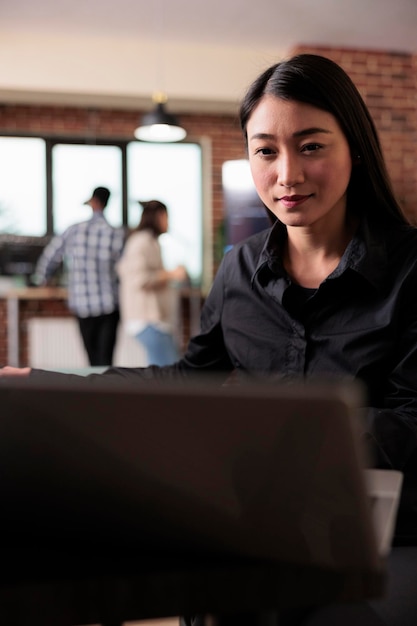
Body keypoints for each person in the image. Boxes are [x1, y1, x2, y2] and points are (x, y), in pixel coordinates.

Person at [2, 53, 417, 624]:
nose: (287, 175)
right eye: (265, 150)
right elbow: (186, 379)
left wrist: (275, 424)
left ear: (356, 147)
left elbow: (411, 425)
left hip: (385, 536)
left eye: (312, 146)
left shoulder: (410, 272)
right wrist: (43, 385)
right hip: (253, 521)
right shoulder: (240, 269)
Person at [35, 186, 126, 366]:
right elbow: (126, 269)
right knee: (106, 361)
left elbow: (49, 257)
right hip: (109, 304)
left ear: (93, 202)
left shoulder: (74, 230)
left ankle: (95, 392)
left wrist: (42, 280)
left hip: (83, 304)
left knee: (92, 361)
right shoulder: (117, 234)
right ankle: (107, 392)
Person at [116, 199, 188, 366]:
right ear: (159, 216)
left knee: (161, 373)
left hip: (154, 321)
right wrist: (171, 274)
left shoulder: (150, 241)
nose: (168, 222)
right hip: (148, 320)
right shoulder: (141, 242)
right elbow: (139, 279)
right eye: (167, 217)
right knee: (169, 374)